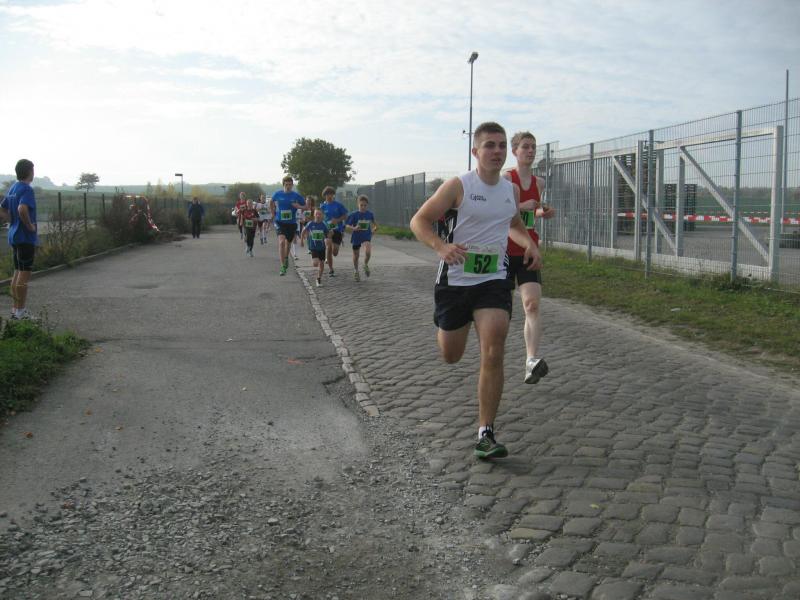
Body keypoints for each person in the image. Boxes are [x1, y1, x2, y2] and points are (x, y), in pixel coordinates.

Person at [409, 122, 541, 459]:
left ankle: (486, 432)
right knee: (451, 355)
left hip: (493, 280)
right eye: (489, 145)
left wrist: (528, 243)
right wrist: (441, 246)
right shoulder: (459, 186)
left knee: (494, 348)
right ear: (475, 151)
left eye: (501, 145)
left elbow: (513, 223)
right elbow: (419, 221)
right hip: (455, 282)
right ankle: (453, 323)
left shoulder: (510, 191)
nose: (497, 151)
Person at [503, 131, 557, 384]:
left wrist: (542, 213)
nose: (531, 151)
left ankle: (531, 361)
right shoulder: (506, 179)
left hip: (529, 251)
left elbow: (530, 214)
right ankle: (493, 355)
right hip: (504, 252)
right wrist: (522, 207)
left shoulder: (540, 182)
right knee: (501, 312)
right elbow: (502, 213)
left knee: (532, 305)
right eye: (525, 147)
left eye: (533, 147)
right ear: (515, 151)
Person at [0, 159, 38, 320]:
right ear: (29, 171)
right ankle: (21, 312)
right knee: (24, 274)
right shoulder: (27, 189)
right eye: (33, 170)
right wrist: (29, 226)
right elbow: (22, 208)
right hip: (25, 237)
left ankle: (16, 310)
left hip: (14, 236)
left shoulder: (13, 188)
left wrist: (12, 221)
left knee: (17, 272)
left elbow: (2, 209)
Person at [271, 176, 305, 275]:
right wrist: (273, 213)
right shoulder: (278, 194)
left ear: (292, 185)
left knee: (288, 244)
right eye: (286, 185)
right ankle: (282, 266)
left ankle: (286, 258)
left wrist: (299, 207)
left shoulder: (296, 195)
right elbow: (271, 202)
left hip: (291, 223)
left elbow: (306, 206)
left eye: (290, 185)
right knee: (281, 242)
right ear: (283, 185)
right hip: (280, 222)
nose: (288, 186)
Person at [345, 194, 377, 281]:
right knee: (356, 255)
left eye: (365, 205)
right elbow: (347, 225)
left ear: (367, 205)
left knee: (368, 252)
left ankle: (365, 264)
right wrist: (354, 228)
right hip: (356, 237)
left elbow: (375, 225)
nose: (363, 207)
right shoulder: (354, 214)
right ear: (358, 204)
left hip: (366, 236)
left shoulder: (370, 214)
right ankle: (356, 271)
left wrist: (374, 230)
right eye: (361, 205)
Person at [320, 186, 348, 277]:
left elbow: (345, 216)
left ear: (333, 195)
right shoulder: (322, 206)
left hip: (337, 230)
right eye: (327, 194)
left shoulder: (338, 205)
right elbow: (319, 217)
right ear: (324, 195)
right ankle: (331, 269)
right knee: (328, 247)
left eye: (331, 194)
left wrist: (337, 220)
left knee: (335, 252)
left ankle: (333, 248)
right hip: (327, 230)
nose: (329, 196)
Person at [301, 208, 330, 287]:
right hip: (313, 247)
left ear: (322, 215)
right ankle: (315, 259)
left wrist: (328, 238)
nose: (318, 215)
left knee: (322, 264)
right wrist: (302, 240)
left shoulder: (324, 224)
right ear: (314, 215)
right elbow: (303, 231)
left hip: (322, 247)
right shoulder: (310, 223)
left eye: (319, 214)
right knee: (315, 264)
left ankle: (318, 278)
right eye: (316, 214)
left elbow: (327, 234)